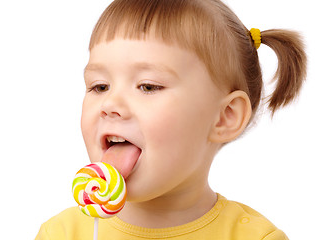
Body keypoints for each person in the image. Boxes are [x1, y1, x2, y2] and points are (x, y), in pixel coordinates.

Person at [35, 0, 306, 239]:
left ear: (225, 117)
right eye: (99, 86)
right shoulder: (62, 234)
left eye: (148, 86)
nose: (110, 104)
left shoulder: (253, 238)